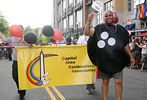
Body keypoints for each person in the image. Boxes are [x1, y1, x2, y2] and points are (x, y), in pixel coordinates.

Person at [84, 10, 135, 100]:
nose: (108, 17)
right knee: (105, 81)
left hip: (117, 61)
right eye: (106, 16)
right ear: (104, 18)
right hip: (104, 62)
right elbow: (87, 33)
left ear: (114, 16)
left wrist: (131, 57)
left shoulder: (120, 29)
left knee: (118, 81)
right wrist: (88, 21)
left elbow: (125, 45)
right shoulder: (99, 28)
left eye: (110, 15)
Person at [0, 27, 29, 99]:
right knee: (15, 76)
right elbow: (4, 39)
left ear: (22, 30)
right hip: (15, 61)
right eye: (17, 29)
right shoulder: (12, 38)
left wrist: (31, 45)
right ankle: (20, 88)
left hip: (24, 61)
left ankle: (22, 91)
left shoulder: (25, 38)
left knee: (22, 77)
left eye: (20, 29)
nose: (18, 31)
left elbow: (31, 46)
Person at [77, 30, 95, 95]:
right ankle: (88, 88)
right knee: (87, 72)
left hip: (92, 57)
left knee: (92, 71)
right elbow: (78, 46)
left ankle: (91, 82)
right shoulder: (81, 38)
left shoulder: (93, 37)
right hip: (85, 58)